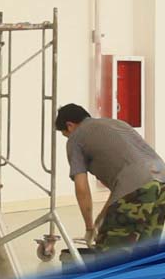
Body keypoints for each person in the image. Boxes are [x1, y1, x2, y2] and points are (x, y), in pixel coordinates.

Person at [56, 103, 165, 254]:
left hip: (137, 186)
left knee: (110, 253)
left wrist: (89, 228)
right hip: (161, 181)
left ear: (69, 126)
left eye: (65, 134)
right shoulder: (116, 124)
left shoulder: (76, 138)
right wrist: (102, 217)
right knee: (145, 250)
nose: (67, 138)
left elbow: (81, 188)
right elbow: (122, 189)